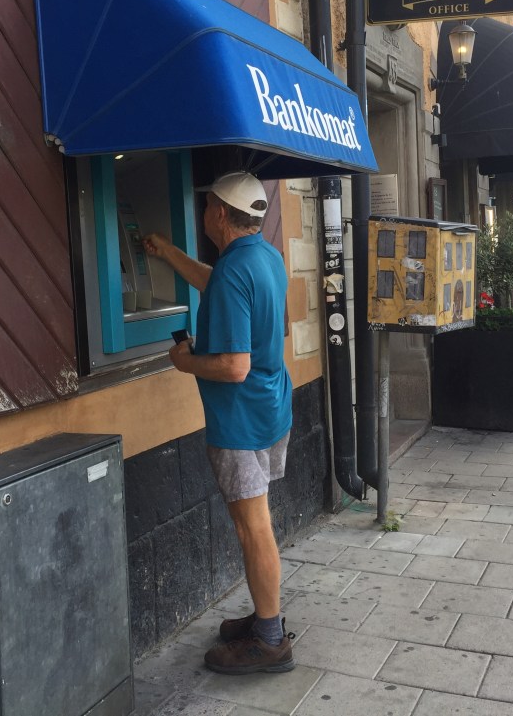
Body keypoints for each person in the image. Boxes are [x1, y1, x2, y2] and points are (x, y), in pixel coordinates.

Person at [142, 172, 295, 675]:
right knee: (258, 523)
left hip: (240, 420)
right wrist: (169, 253)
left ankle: (269, 640)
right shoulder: (262, 256)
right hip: (271, 407)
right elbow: (217, 283)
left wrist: (184, 361)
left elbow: (233, 366)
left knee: (253, 528)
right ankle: (264, 615)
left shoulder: (234, 271)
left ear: (222, 215)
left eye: (207, 204)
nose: (203, 210)